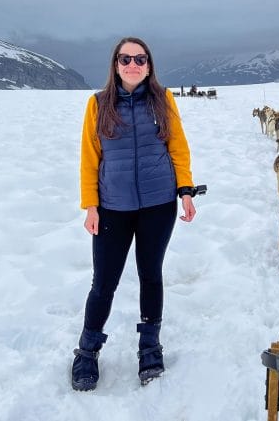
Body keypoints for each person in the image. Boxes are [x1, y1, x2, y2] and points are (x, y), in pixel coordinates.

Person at [72, 36, 197, 391]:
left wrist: (185, 190)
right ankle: (87, 350)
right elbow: (89, 159)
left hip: (159, 205)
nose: (132, 64)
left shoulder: (163, 100)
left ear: (149, 65)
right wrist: (91, 205)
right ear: (115, 64)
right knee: (104, 282)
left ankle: (149, 346)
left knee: (150, 275)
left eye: (139, 59)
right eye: (125, 58)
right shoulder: (98, 104)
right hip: (113, 207)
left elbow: (178, 147)